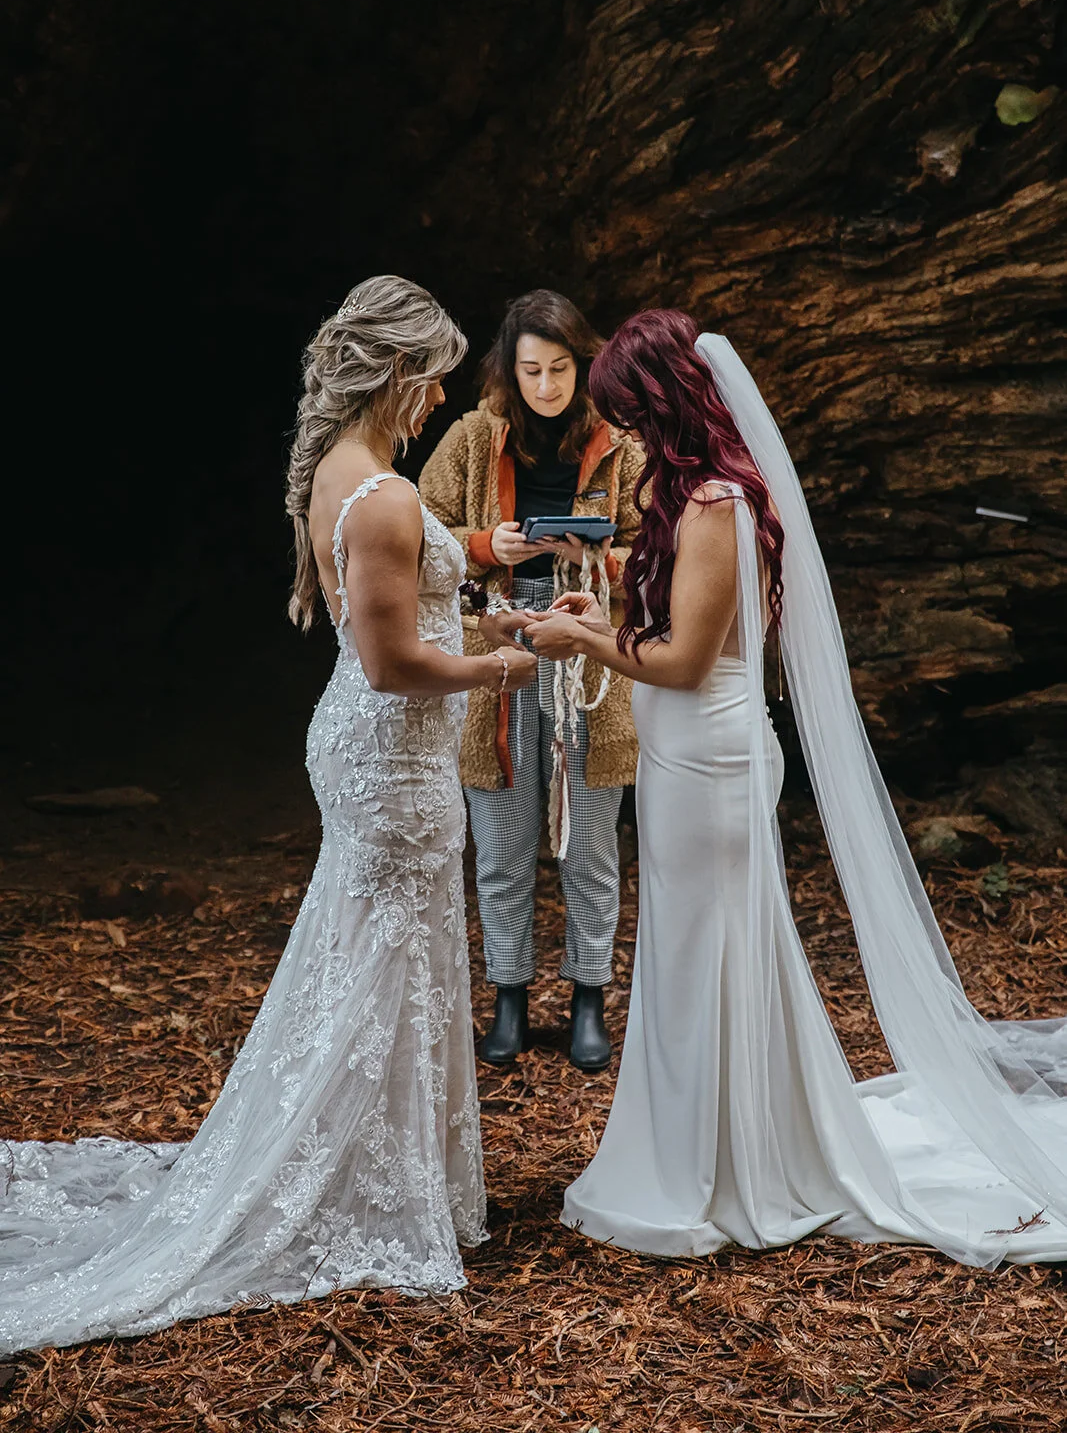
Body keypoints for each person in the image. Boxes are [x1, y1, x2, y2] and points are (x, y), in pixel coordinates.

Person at [0, 275, 537, 1355]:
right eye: (430, 381)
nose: (437, 401)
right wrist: (507, 661)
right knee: (393, 961)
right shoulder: (383, 495)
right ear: (394, 373)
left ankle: (377, 1171)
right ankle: (360, 1188)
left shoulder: (343, 473)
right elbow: (393, 664)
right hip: (390, 753)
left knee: (378, 958)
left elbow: (399, 604)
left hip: (364, 747)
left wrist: (478, 572)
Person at [530, 310, 1067, 1267]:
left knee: (708, 951)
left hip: (710, 760)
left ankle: (719, 1162)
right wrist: (606, 596)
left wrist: (583, 642)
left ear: (666, 404)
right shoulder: (703, 497)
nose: (624, 434)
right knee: (699, 950)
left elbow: (690, 658)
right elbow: (685, 608)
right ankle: (722, 1142)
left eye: (630, 413)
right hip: (686, 759)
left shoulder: (717, 506)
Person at [420, 290, 643, 1070]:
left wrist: (598, 557)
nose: (545, 386)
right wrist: (488, 544)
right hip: (499, 638)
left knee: (587, 842)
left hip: (593, 645)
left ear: (583, 365)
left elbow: (661, 547)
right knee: (501, 840)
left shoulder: (621, 443)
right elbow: (420, 533)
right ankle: (507, 999)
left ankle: (588, 998)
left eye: (559, 369)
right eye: (529, 371)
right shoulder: (473, 438)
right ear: (505, 372)